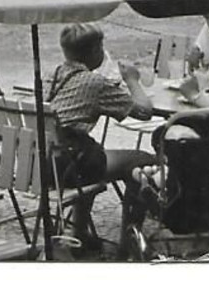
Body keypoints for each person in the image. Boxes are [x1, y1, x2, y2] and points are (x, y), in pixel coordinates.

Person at [45, 22, 156, 251]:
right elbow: (144, 111)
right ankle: (129, 241)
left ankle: (79, 233)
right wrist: (132, 79)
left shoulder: (54, 73)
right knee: (141, 159)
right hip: (70, 166)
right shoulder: (95, 83)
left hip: (43, 162)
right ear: (96, 50)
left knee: (91, 155)